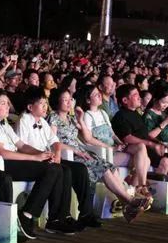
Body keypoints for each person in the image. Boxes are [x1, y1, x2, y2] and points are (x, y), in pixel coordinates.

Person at [0, 88, 69, 239]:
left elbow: (22, 145)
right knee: (51, 170)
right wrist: (34, 158)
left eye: (8, 103)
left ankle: (54, 218)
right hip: (4, 164)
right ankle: (27, 214)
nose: (8, 106)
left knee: (56, 167)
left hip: (15, 160)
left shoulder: (4, 124)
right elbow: (2, 152)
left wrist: (42, 154)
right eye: (3, 103)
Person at [48, 88, 148, 219]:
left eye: (70, 99)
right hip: (69, 155)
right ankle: (130, 201)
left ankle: (126, 205)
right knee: (103, 169)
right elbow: (53, 143)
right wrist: (75, 150)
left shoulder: (71, 118)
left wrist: (80, 119)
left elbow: (86, 136)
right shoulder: (53, 118)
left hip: (81, 152)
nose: (69, 102)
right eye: (65, 100)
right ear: (57, 102)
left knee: (110, 167)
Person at [17, 86, 95, 231]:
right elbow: (21, 147)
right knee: (63, 170)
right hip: (33, 159)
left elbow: (55, 142)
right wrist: (43, 155)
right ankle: (56, 218)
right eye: (41, 103)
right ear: (30, 107)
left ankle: (83, 213)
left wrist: (57, 154)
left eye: (45, 103)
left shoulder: (42, 121)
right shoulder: (24, 120)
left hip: (48, 157)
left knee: (79, 168)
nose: (45, 107)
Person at [76, 85, 151, 197]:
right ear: (88, 100)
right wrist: (110, 148)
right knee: (145, 161)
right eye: (96, 95)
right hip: (103, 152)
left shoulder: (103, 113)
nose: (100, 95)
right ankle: (137, 190)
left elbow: (112, 133)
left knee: (141, 149)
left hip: (114, 148)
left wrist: (119, 142)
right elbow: (89, 139)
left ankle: (136, 189)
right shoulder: (87, 116)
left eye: (99, 93)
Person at [111, 84, 168, 184]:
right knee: (165, 162)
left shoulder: (136, 114)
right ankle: (146, 188)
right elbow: (127, 138)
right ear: (125, 100)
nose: (139, 97)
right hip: (138, 149)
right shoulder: (121, 116)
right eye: (135, 94)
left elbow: (146, 134)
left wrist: (158, 143)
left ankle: (167, 191)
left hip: (149, 148)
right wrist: (151, 144)